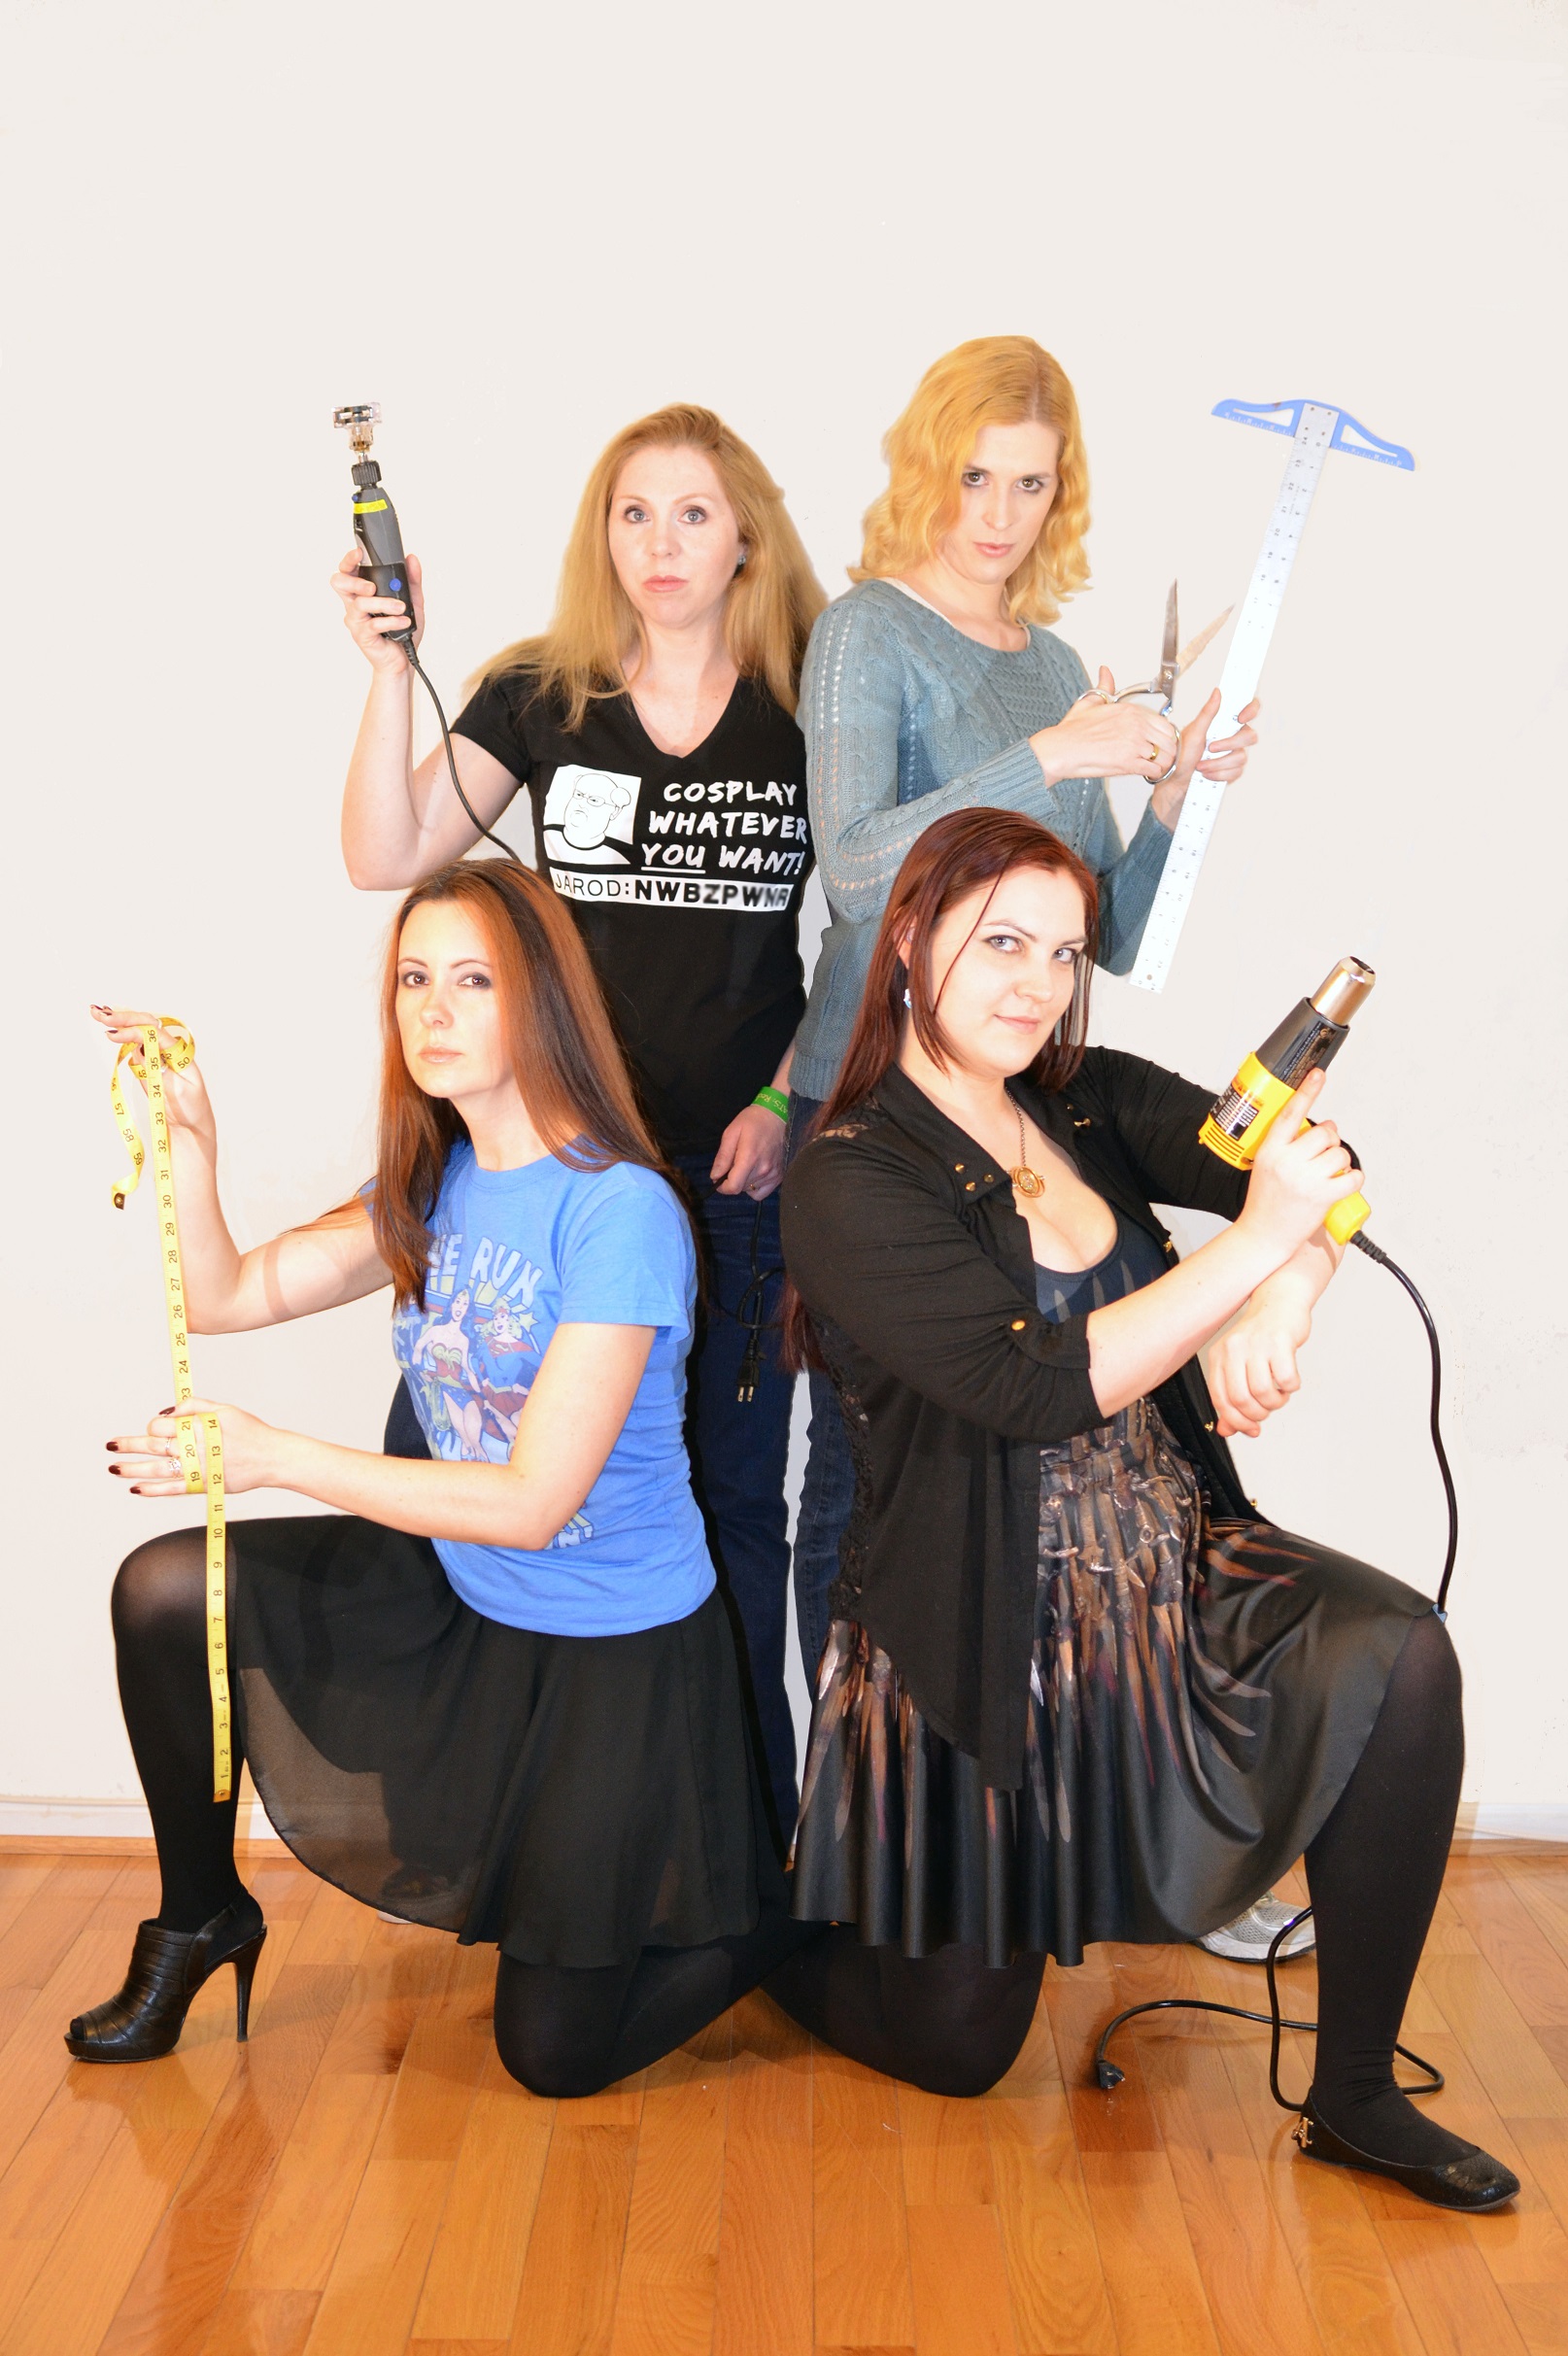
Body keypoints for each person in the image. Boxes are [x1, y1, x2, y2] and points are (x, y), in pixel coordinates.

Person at [767, 807, 1517, 2212]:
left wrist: (1285, 1291)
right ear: (910, 940)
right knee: (956, 2049)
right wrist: (1253, 1250)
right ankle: (773, 1927)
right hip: (971, 1625)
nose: (1038, 983)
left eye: (1065, 952)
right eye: (1001, 942)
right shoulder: (849, 1174)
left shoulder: (1090, 1098)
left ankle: (1355, 2096)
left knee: (1401, 1653)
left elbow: (1312, 1172)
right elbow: (1033, 1383)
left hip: (1167, 1560)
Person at [74, 859, 813, 2095]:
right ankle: (198, 1918)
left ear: (545, 1001)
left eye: (474, 980)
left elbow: (533, 1502)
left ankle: (787, 1910)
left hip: (612, 1652)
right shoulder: (434, 1179)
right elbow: (225, 1294)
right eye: (415, 979)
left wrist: (273, 1456)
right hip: (467, 1602)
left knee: (552, 2055)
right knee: (165, 1590)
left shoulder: (620, 1209)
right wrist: (194, 1141)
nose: (434, 1008)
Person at [787, 333, 1289, 1963]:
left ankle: (1088, 1837)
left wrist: (1170, 795)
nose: (997, 512)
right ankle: (850, 1849)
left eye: (1029, 481)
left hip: (1016, 1107)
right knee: (871, 1495)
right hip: (874, 1115)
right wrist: (1056, 756)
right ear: (922, 470)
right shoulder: (869, 632)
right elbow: (854, 874)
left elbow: (1104, 940)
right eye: (973, 475)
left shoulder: (1059, 656)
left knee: (1055, 1495)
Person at [331, 405, 825, 1841]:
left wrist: (784, 1097)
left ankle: (739, 1846)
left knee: (729, 1509)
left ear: (746, 539)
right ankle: (511, 1826)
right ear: (601, 536)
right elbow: (384, 852)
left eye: (693, 512)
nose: (661, 543)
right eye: (633, 512)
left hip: (734, 1182)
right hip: (549, 1178)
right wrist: (388, 671)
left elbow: (874, 928)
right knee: (472, 1480)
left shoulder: (809, 704)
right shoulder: (540, 694)